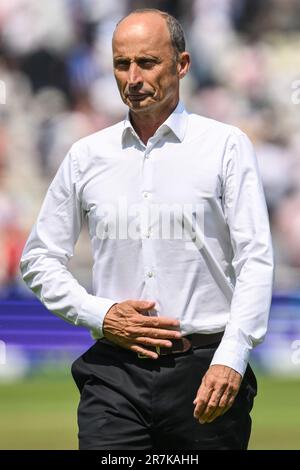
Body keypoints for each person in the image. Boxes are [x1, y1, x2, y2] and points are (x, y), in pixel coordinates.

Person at [20, 8, 274, 450]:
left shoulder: (225, 146)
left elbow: (255, 258)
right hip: (115, 374)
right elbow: (39, 259)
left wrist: (232, 358)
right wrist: (100, 314)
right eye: (122, 64)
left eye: (147, 62)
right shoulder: (85, 155)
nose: (132, 77)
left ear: (182, 65)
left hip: (205, 369)